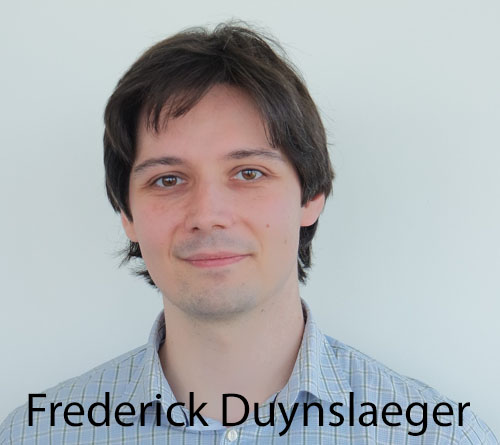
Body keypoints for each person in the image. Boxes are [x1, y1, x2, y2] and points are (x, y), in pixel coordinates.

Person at [0, 22, 497, 445]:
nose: (207, 214)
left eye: (249, 173)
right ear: (126, 213)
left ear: (311, 196)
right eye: (168, 180)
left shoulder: (438, 436)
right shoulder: (37, 435)